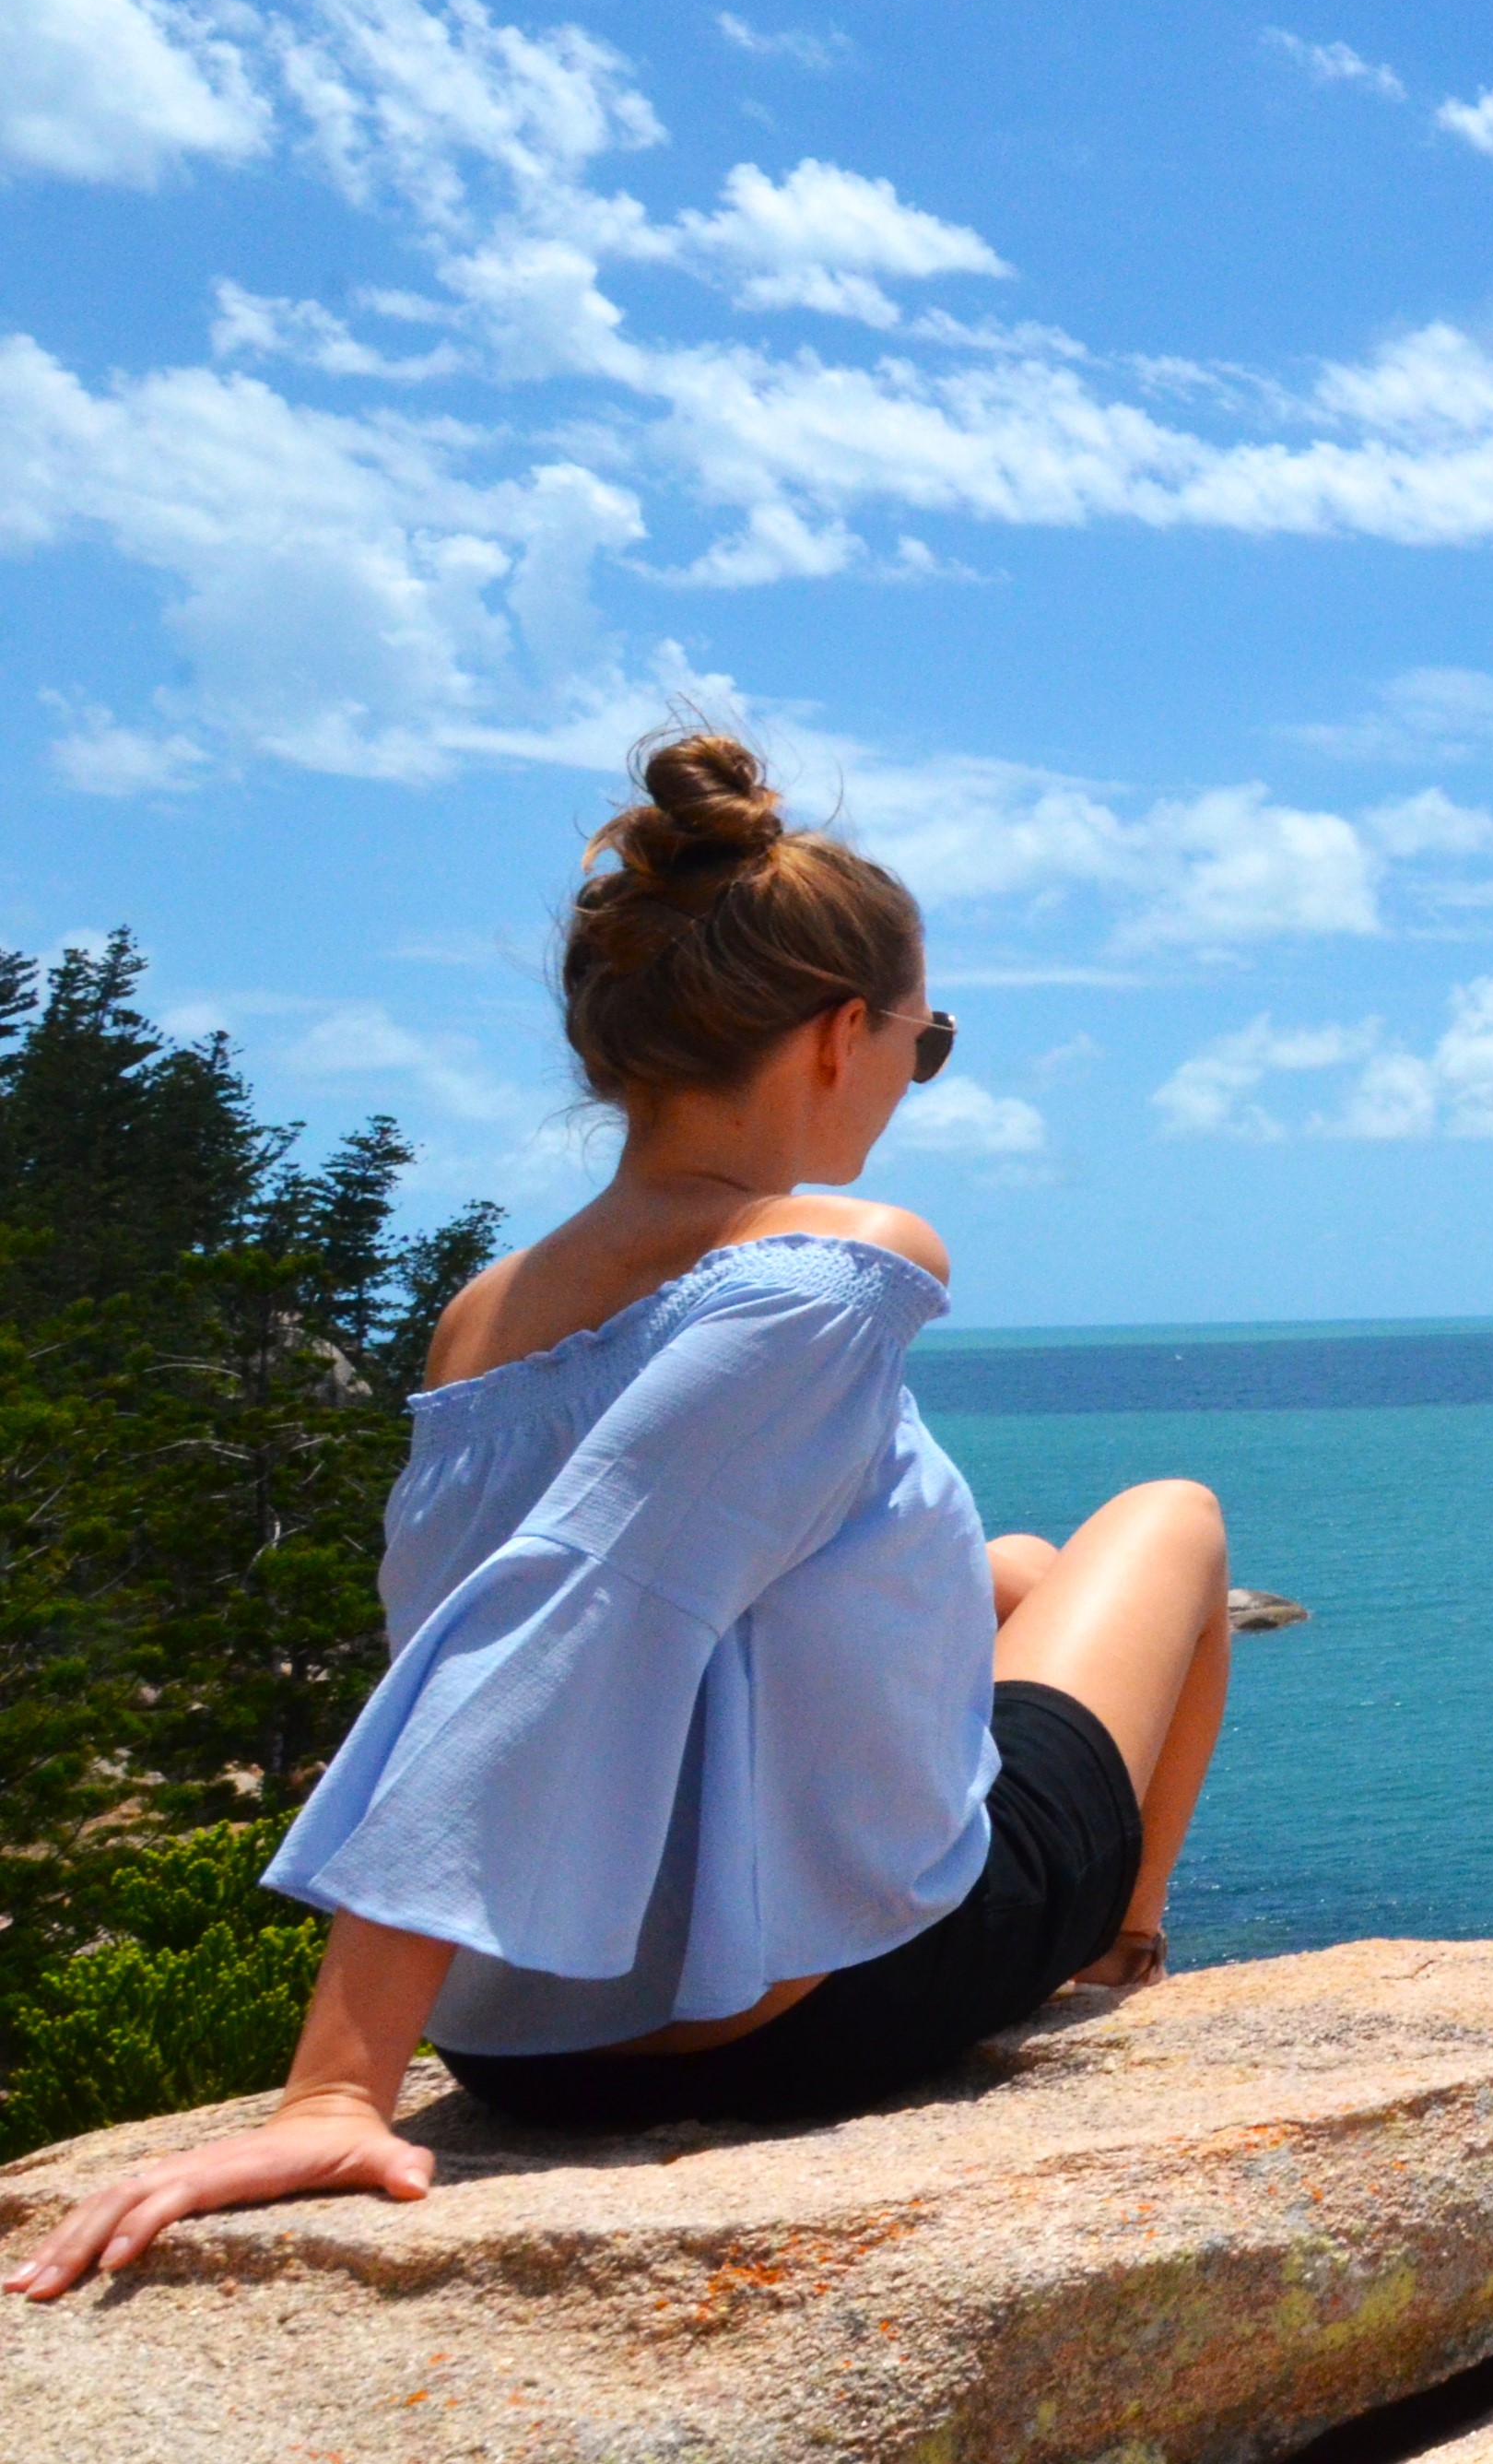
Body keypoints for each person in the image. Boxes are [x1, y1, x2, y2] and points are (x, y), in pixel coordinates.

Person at [11, 733, 1229, 2301]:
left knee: (1015, 1572)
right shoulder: (827, 1265)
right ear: (840, 1035)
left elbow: (577, 1605)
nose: (909, 1091)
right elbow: (567, 1612)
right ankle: (1118, 1944)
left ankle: (1088, 1913)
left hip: (534, 2048)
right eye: (925, 1050)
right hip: (816, 2014)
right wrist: (334, 2090)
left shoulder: (480, 1316)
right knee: (1171, 1519)